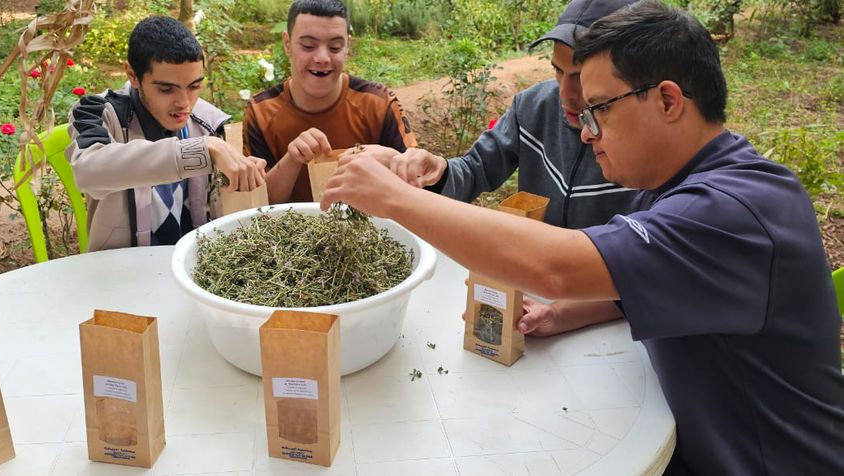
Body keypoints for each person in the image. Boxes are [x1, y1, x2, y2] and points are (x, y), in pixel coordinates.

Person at [320, 1, 844, 473]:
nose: (586, 129)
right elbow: (650, 281)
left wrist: (395, 198)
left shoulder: (731, 211)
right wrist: (565, 312)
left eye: (599, 110)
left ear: (667, 100)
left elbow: (560, 267)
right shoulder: (675, 182)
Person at [370, 0, 638, 229]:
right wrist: (438, 171)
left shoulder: (645, 143)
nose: (565, 93)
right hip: (530, 277)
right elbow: (475, 170)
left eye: (580, 78)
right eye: (558, 71)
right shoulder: (532, 106)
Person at [68, 16, 266, 252]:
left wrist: (238, 181)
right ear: (132, 75)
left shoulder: (209, 122)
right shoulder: (96, 112)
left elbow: (218, 216)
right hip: (121, 273)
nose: (184, 103)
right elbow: (89, 172)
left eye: (194, 86)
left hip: (192, 267)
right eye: (166, 89)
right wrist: (197, 151)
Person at [242, 0, 417, 204]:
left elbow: (418, 181)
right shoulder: (260, 111)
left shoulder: (379, 103)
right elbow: (258, 205)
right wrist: (292, 160)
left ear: (348, 46)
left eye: (334, 47)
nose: (322, 58)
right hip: (292, 231)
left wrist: (391, 160)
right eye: (308, 46)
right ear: (287, 44)